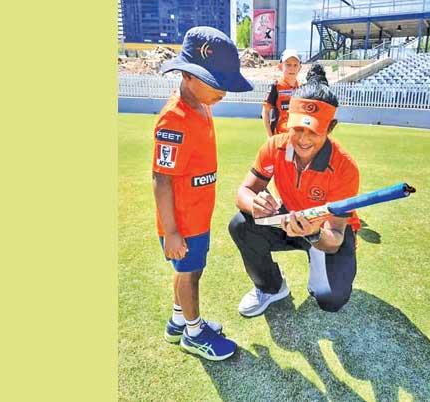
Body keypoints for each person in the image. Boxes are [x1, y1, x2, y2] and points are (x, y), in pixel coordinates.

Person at [153, 26, 253, 360]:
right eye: (216, 83)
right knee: (189, 274)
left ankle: (178, 321)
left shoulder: (202, 104)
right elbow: (161, 179)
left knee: (188, 271)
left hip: (197, 214)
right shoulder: (173, 119)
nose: (223, 92)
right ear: (188, 76)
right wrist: (171, 232)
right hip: (182, 222)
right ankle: (194, 334)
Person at [229, 79, 361, 316]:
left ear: (331, 127)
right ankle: (271, 287)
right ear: (288, 120)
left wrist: (313, 233)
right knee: (240, 224)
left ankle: (317, 257)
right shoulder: (274, 147)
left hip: (326, 231)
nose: (303, 139)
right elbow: (244, 192)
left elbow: (336, 236)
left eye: (314, 130)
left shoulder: (345, 167)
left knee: (331, 300)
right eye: (298, 128)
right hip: (288, 219)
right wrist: (254, 204)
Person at [262, 49, 302, 137]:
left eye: (295, 65)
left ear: (300, 68)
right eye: (288, 65)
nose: (292, 68)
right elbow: (265, 112)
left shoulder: (302, 88)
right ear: (280, 66)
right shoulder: (276, 86)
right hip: (279, 138)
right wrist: (270, 137)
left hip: (297, 139)